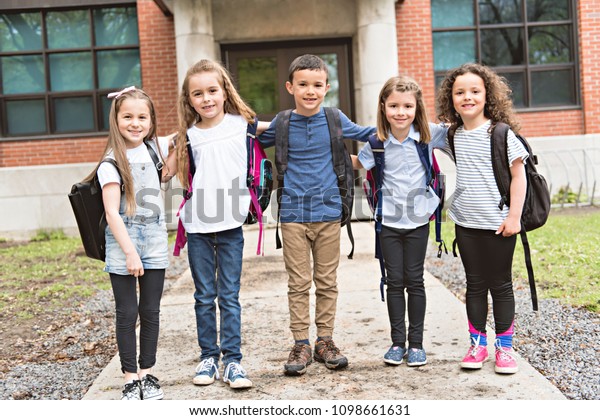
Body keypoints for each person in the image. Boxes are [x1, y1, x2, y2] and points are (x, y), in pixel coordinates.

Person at [258, 54, 374, 376]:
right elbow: (247, 134)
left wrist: (410, 124)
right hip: (293, 215)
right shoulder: (281, 123)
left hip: (328, 214)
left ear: (327, 87)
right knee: (298, 283)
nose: (310, 91)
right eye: (303, 84)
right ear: (290, 86)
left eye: (317, 85)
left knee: (327, 282)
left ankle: (325, 341)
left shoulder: (335, 119)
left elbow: (370, 133)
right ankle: (301, 343)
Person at [164, 59, 259, 389]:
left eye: (212, 91)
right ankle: (209, 357)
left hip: (231, 223)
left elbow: (283, 129)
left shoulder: (243, 124)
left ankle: (233, 362)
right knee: (204, 295)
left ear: (224, 91)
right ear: (189, 99)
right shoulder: (185, 136)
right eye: (198, 94)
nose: (206, 99)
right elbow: (164, 171)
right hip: (198, 225)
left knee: (229, 296)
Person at [436, 63, 528, 374]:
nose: (467, 97)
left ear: (487, 95)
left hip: (500, 224)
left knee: (500, 285)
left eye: (475, 91)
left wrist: (514, 216)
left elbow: (520, 176)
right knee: (474, 285)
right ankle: (477, 345)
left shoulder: (500, 133)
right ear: (452, 98)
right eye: (460, 92)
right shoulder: (452, 134)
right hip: (466, 224)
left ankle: (505, 349)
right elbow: (413, 129)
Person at [352, 75, 448, 367]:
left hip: (419, 219)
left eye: (407, 106)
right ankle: (397, 343)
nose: (400, 112)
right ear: (383, 107)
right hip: (388, 222)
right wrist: (327, 154)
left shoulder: (431, 135)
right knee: (393, 282)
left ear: (417, 107)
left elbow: (461, 131)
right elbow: (359, 162)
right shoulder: (376, 143)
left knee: (415, 280)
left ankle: (416, 344)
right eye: (393, 105)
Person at [92, 86, 170, 400]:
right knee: (127, 313)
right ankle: (129, 379)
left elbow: (183, 141)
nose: (135, 123)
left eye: (142, 117)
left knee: (150, 310)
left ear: (151, 121)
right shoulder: (111, 162)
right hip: (123, 241)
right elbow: (112, 212)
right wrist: (129, 252)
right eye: (127, 117)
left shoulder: (155, 150)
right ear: (116, 119)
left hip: (154, 240)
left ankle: (147, 374)